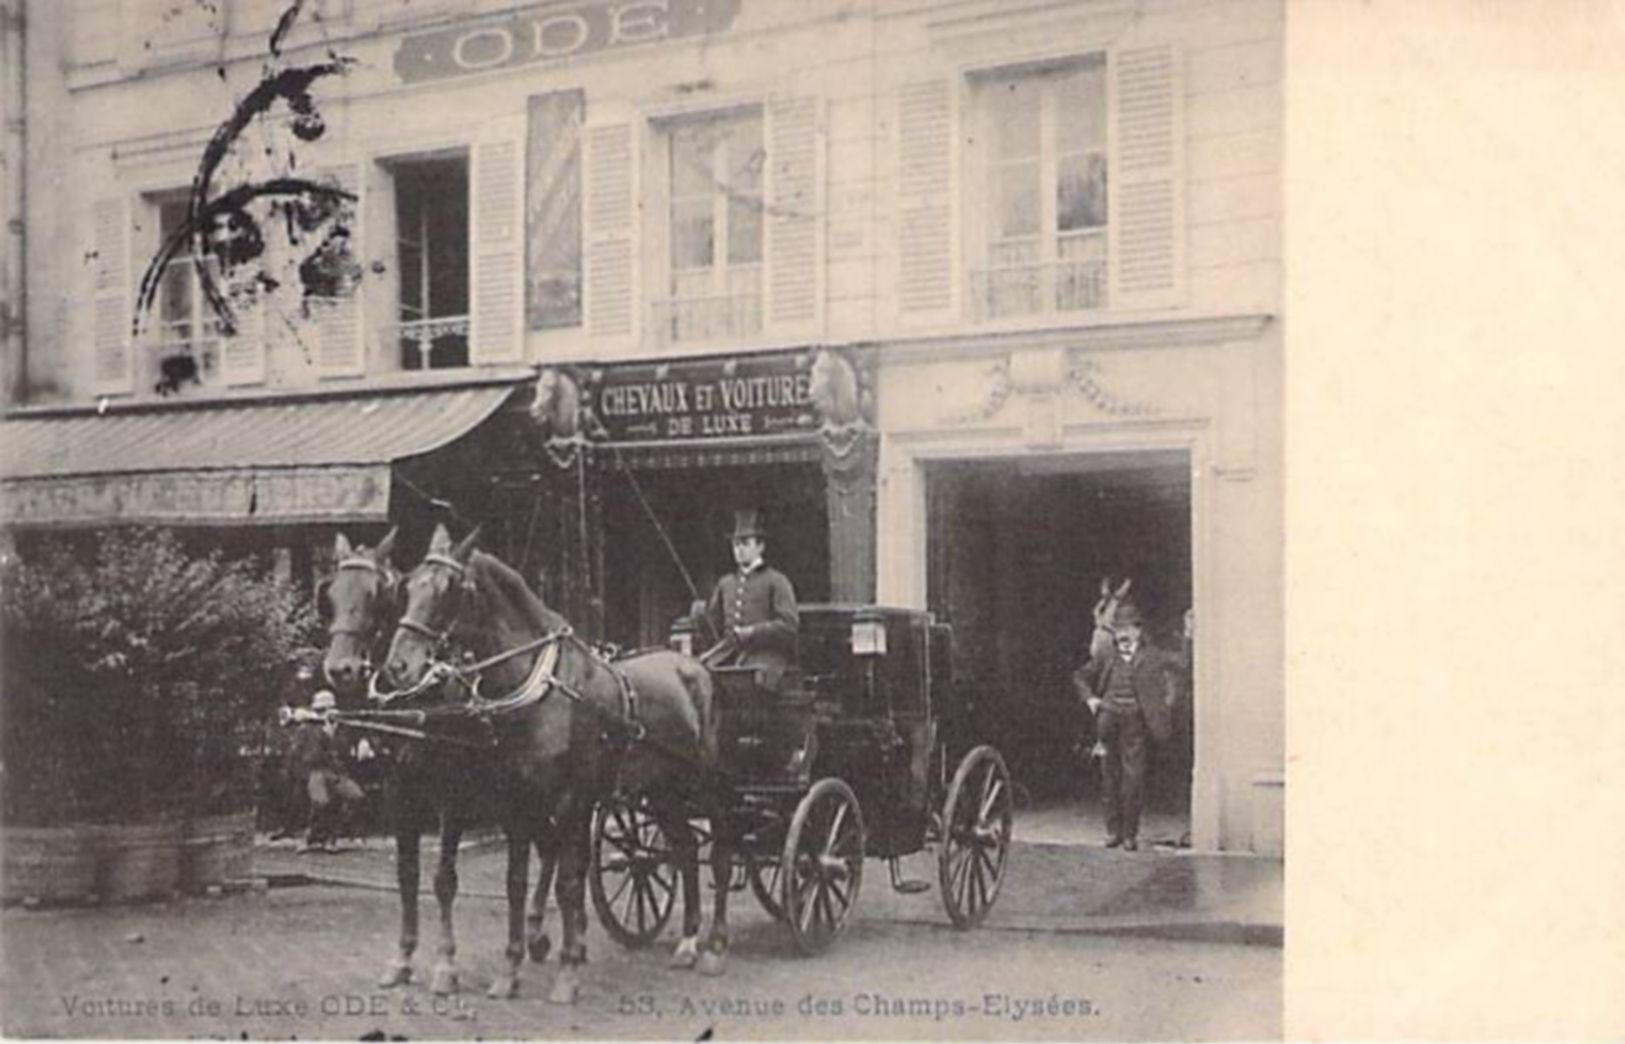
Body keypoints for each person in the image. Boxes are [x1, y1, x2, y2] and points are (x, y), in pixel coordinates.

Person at [1074, 594, 1178, 852]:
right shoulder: (1107, 656)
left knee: (1133, 778)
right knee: (1109, 777)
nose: (1122, 634)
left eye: (1127, 629)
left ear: (1138, 631)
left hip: (1135, 724)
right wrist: (1091, 700)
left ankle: (1130, 835)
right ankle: (1113, 832)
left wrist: (1187, 635)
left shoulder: (1151, 655)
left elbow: (1182, 663)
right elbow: (1080, 676)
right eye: (1118, 629)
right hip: (1107, 720)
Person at [700, 508, 799, 693]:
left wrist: (752, 632)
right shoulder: (725, 583)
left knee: (749, 684)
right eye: (735, 545)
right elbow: (714, 625)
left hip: (767, 656)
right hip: (728, 654)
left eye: (745, 543)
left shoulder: (776, 581)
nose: (739, 549)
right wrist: (701, 619)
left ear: (760, 546)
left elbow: (788, 625)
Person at [290, 690, 366, 853]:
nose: (325, 714)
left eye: (328, 709)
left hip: (337, 772)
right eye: (321, 710)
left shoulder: (341, 728)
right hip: (315, 771)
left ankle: (333, 836)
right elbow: (306, 757)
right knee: (321, 802)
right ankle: (310, 837)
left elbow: (345, 752)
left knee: (356, 797)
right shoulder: (306, 729)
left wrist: (335, 738)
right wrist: (325, 738)